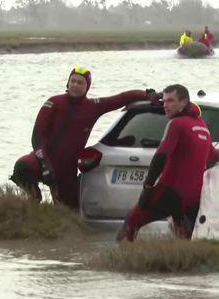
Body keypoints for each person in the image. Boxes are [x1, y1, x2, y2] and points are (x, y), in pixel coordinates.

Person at [10, 66, 158, 209]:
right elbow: (37, 136)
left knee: (69, 211)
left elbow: (121, 98)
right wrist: (44, 163)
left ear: (87, 87)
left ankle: (56, 221)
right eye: (72, 81)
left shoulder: (93, 106)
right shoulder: (54, 102)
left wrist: (147, 94)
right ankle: (34, 199)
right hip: (45, 160)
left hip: (67, 169)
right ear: (67, 83)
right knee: (22, 167)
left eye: (80, 82)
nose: (75, 85)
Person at [118, 84, 214, 242]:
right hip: (193, 197)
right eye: (164, 101)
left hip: (171, 192)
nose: (165, 105)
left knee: (132, 221)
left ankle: (115, 261)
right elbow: (213, 157)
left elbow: (161, 155)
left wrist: (148, 186)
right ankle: (186, 263)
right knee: (185, 238)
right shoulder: (202, 126)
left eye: (170, 101)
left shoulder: (176, 124)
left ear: (183, 102)